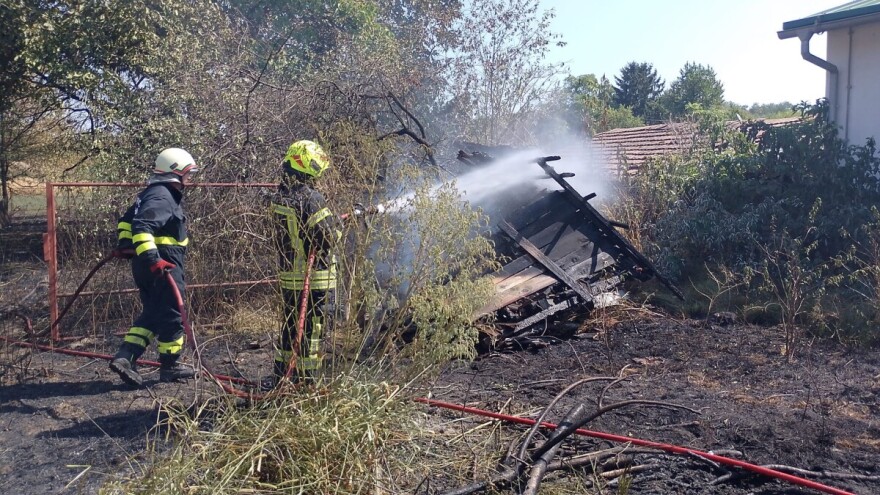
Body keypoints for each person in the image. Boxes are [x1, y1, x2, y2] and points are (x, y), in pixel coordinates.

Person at [109, 148, 199, 387]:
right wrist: (153, 259)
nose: (190, 179)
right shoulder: (163, 196)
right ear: (176, 172)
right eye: (188, 173)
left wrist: (126, 246)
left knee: (153, 312)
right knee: (173, 314)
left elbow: (126, 222)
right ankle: (170, 366)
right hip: (162, 265)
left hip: (148, 265)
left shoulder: (151, 193)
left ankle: (125, 356)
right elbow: (142, 226)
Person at [266, 139, 342, 388]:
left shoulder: (280, 196)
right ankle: (307, 383)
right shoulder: (311, 198)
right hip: (315, 279)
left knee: (290, 327)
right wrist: (339, 225)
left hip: (289, 277)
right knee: (314, 331)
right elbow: (328, 238)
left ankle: (282, 376)